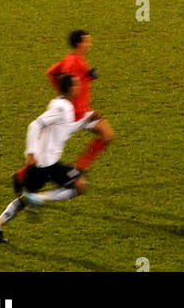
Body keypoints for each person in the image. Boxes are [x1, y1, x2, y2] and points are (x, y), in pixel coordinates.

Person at [0, 74, 92, 242]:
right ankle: (41, 198)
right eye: (77, 85)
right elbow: (35, 125)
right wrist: (31, 152)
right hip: (47, 165)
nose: (79, 88)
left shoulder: (61, 105)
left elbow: (65, 129)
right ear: (70, 89)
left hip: (38, 167)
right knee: (80, 185)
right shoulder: (61, 108)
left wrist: (84, 122)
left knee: (24, 199)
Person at [12, 30, 113, 193]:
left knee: (105, 135)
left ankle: (23, 175)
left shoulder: (71, 59)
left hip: (80, 112)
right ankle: (77, 168)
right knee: (106, 135)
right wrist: (69, 97)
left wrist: (87, 77)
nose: (89, 44)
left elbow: (51, 72)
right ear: (79, 43)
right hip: (76, 114)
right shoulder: (74, 64)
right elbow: (69, 84)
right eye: (87, 41)